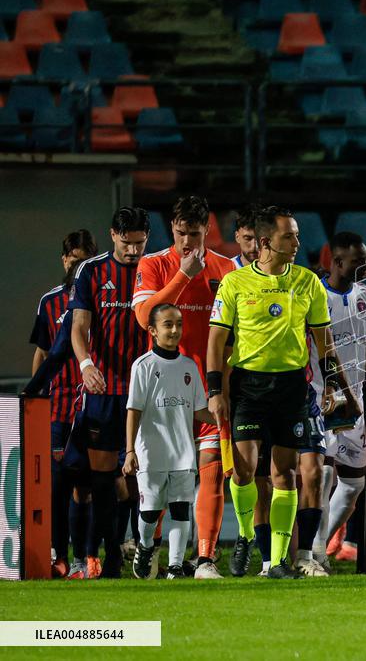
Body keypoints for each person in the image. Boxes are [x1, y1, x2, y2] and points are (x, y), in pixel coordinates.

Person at [206, 205, 359, 579]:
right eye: (288, 236)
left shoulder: (307, 282)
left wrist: (333, 384)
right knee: (243, 472)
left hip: (291, 387)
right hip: (248, 386)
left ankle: (276, 562)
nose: (296, 243)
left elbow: (324, 342)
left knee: (285, 475)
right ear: (265, 243)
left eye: (297, 235)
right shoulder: (235, 283)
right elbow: (216, 341)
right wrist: (215, 390)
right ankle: (246, 535)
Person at [132, 196, 235, 579]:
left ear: (207, 229)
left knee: (210, 472)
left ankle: (204, 558)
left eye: (194, 233)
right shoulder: (154, 264)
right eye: (180, 233)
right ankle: (150, 550)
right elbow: (145, 316)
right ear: (172, 229)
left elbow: (232, 335)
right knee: (161, 483)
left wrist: (222, 387)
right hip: (163, 393)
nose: (187, 241)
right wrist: (183, 276)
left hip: (207, 388)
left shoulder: (226, 269)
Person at [306, 231, 366, 571]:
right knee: (323, 476)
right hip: (322, 398)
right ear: (337, 262)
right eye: (358, 261)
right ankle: (314, 553)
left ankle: (318, 544)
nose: (365, 266)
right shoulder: (315, 296)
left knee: (353, 485)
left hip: (356, 401)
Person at [69, 207, 151, 578]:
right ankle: (110, 555)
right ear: (113, 235)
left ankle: (140, 550)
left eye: (139, 243)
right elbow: (78, 326)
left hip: (145, 390)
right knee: (102, 478)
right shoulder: (91, 271)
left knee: (141, 478)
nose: (133, 251)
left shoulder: (154, 268)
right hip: (104, 389)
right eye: (126, 243)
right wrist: (86, 364)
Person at [124, 303, 218, 580]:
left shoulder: (189, 366)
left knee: (180, 509)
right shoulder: (143, 366)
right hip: (151, 452)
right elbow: (133, 410)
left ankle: (175, 567)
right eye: (168, 324)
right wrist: (130, 450)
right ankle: (145, 545)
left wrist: (224, 418)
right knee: (151, 512)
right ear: (153, 330)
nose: (175, 330)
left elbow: (199, 410)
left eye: (178, 324)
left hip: (183, 452)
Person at [29, 229, 97, 578]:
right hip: (57, 407)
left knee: (87, 486)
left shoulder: (100, 298)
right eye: (73, 260)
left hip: (92, 403)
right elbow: (43, 354)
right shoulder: (50, 302)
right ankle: (59, 554)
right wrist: (37, 400)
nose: (77, 266)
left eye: (84, 260)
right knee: (57, 485)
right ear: (64, 260)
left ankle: (86, 558)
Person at [232, 204, 259, 269]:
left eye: (259, 239)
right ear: (237, 237)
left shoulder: (278, 270)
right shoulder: (225, 270)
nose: (254, 246)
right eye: (248, 239)